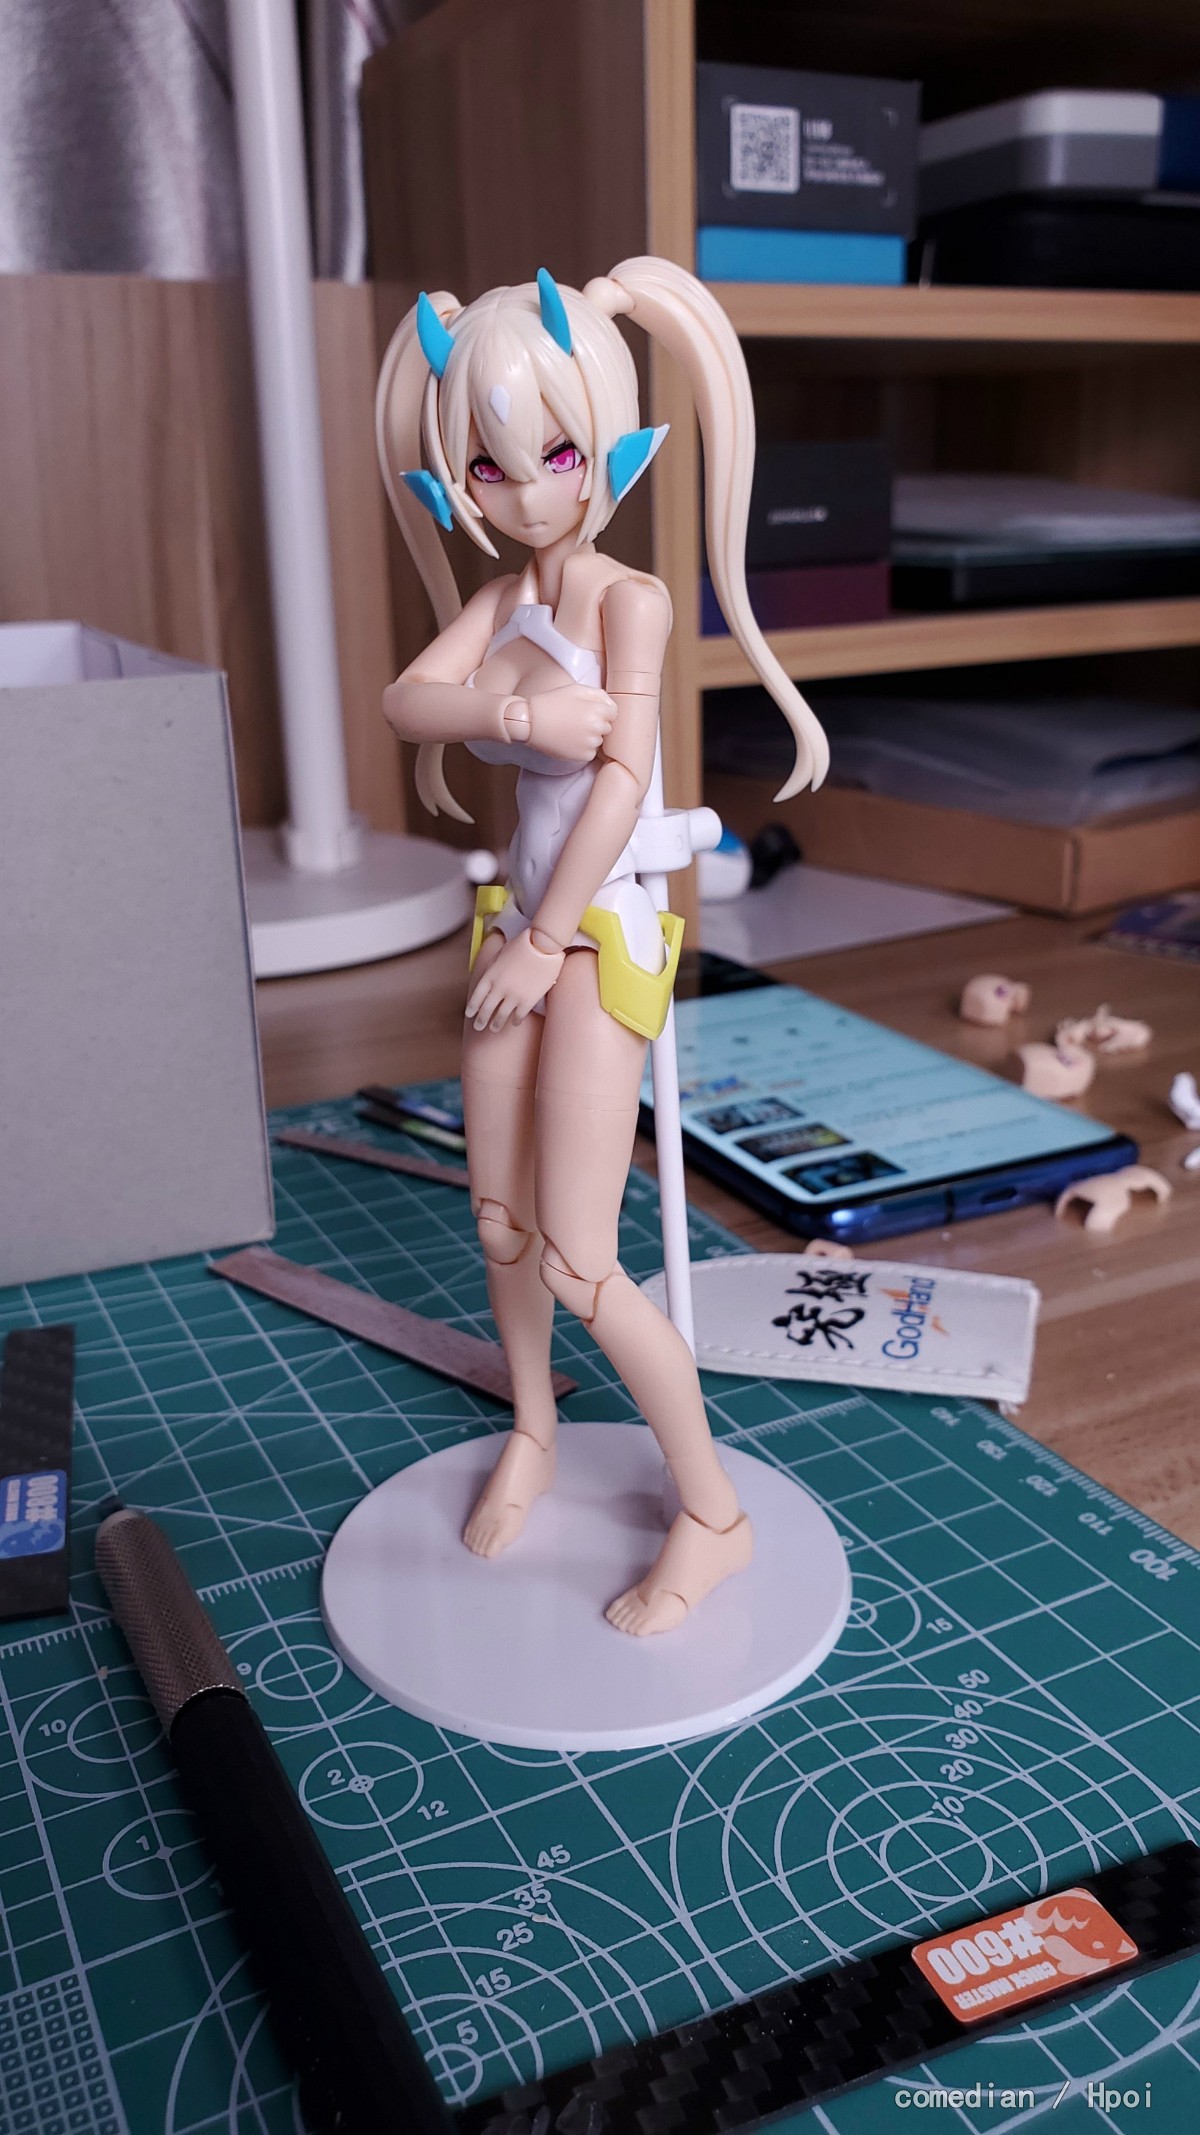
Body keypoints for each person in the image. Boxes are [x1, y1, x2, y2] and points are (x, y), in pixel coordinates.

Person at [376, 257, 827, 1635]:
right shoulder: (502, 603)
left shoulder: (631, 600)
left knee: (580, 1258)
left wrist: (547, 933)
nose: (524, 494)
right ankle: (535, 1429)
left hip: (598, 933)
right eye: (489, 467)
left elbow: (624, 783)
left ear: (611, 444)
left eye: (554, 456)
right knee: (497, 1223)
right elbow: (408, 701)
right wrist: (513, 721)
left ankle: (715, 1515)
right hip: (515, 932)